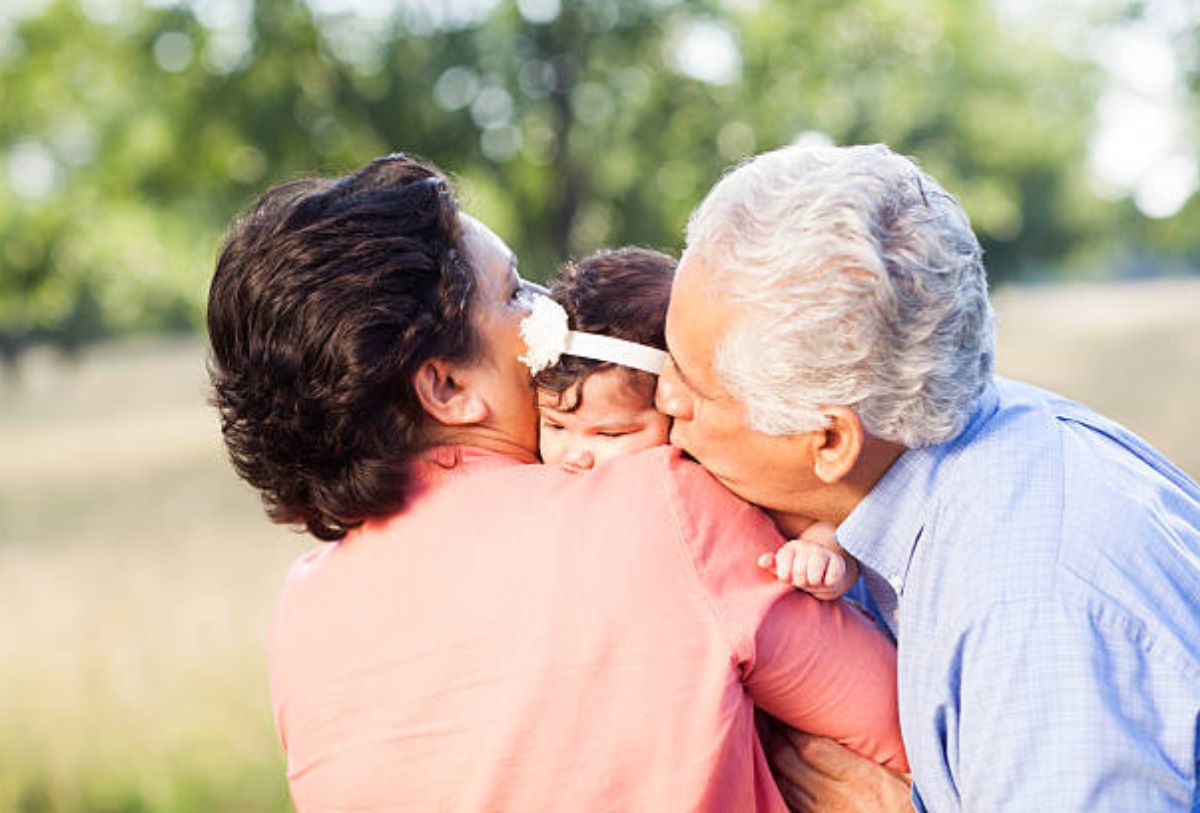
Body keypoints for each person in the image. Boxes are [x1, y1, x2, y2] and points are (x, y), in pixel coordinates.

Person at [206, 153, 907, 812]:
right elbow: (913, 728)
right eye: (515, 295)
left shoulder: (303, 614)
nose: (556, 314)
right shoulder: (663, 507)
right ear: (446, 386)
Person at [656, 142, 1200, 812]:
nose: (664, 397)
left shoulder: (1030, 610)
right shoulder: (951, 461)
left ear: (827, 440)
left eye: (693, 383)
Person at [525, 246, 860, 600]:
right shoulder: (547, 481)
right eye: (556, 426)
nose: (575, 455)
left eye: (610, 433)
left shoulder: (722, 474)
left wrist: (820, 555)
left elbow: (831, 526)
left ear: (676, 404)